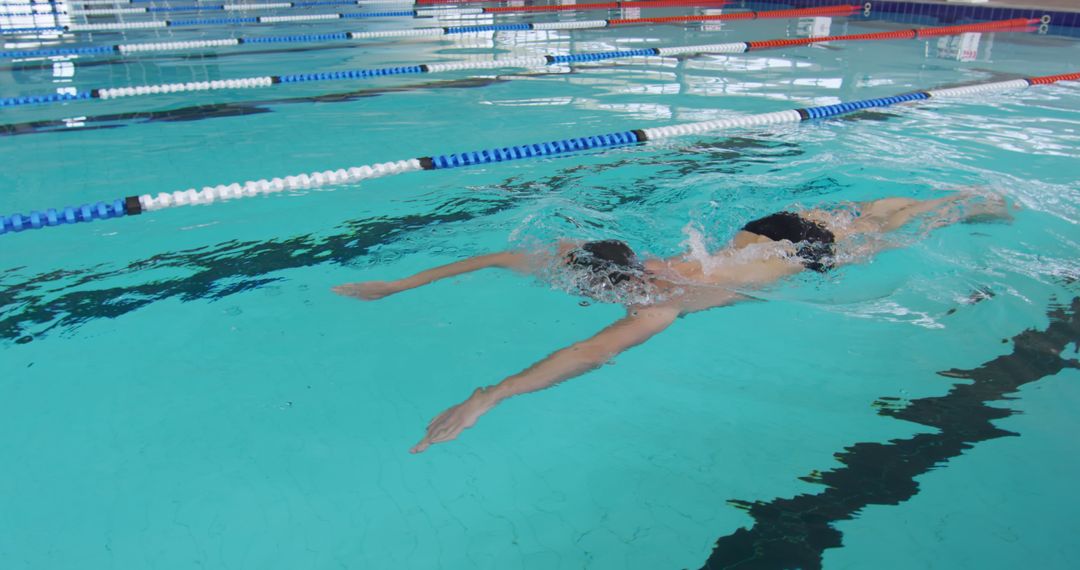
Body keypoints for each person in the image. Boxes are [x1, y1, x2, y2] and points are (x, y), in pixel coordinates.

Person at [333, 192, 1010, 453]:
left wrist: (491, 395)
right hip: (765, 229)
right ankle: (970, 199)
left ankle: (973, 207)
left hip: (806, 256)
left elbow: (585, 355)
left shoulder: (658, 307)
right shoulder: (603, 256)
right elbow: (492, 257)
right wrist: (400, 283)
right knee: (892, 210)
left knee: (904, 231)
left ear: (609, 284)